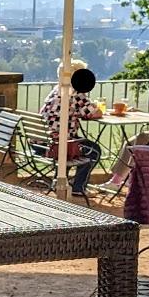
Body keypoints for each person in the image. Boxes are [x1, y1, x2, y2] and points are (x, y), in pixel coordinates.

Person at [38, 60, 102, 197]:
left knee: (74, 143)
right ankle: (78, 187)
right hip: (56, 146)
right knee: (94, 151)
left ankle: (60, 181)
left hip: (40, 143)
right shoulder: (76, 94)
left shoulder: (56, 91)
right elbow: (94, 113)